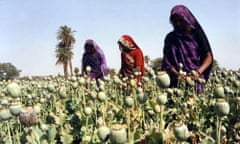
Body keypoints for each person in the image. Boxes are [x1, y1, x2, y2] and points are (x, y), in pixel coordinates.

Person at [161, 5, 213, 93]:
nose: (177, 24)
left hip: (195, 81)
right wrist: (178, 75)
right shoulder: (170, 38)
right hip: (176, 83)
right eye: (175, 21)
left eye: (180, 20)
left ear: (187, 19)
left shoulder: (197, 34)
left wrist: (197, 72)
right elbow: (167, 62)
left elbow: (208, 57)